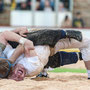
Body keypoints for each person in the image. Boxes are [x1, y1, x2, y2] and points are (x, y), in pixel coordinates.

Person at [2, 29, 82, 81]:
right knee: (53, 59)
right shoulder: (27, 67)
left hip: (35, 45)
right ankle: (79, 56)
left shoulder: (6, 54)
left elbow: (4, 35)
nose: (17, 75)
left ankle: (66, 33)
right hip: (38, 54)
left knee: (36, 38)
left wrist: (18, 31)